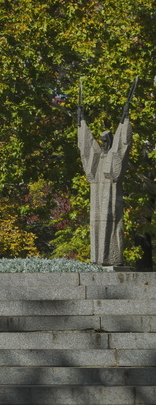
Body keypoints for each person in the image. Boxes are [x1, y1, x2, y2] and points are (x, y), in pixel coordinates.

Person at [77, 77, 137, 267]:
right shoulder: (98, 157)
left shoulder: (113, 155)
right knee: (96, 223)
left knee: (111, 225)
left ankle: (111, 257)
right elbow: (86, 147)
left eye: (107, 141)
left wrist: (125, 118)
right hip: (97, 197)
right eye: (103, 141)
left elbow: (123, 143)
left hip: (110, 196)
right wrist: (81, 121)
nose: (104, 143)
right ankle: (97, 258)